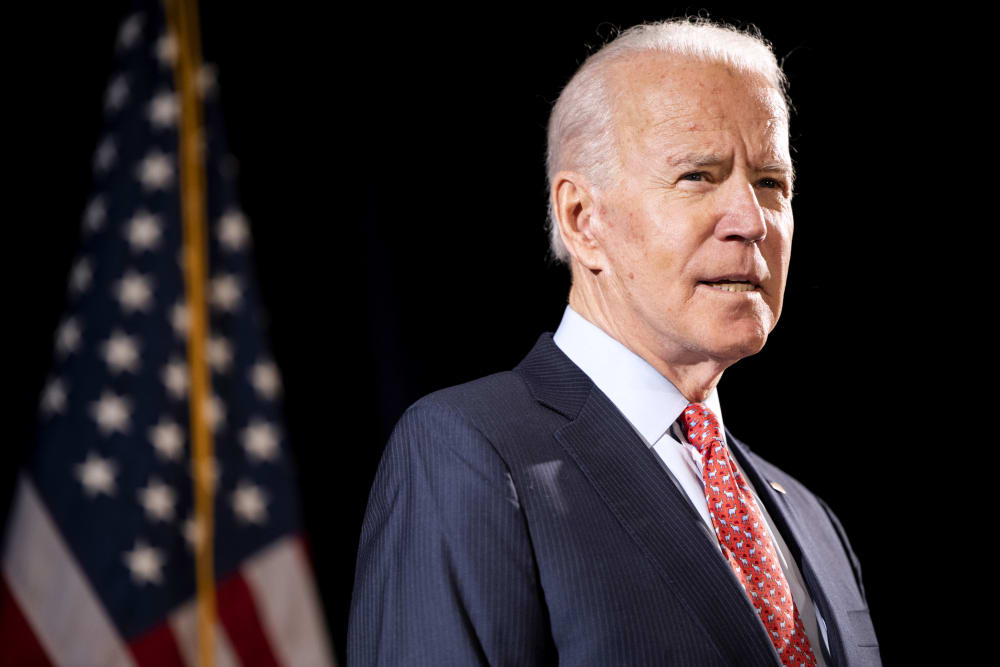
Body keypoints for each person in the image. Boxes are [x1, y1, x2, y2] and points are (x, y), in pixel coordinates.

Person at [348, 18, 880, 667]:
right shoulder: (472, 455)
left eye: (771, 182)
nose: (752, 220)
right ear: (582, 219)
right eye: (698, 176)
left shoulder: (811, 520)